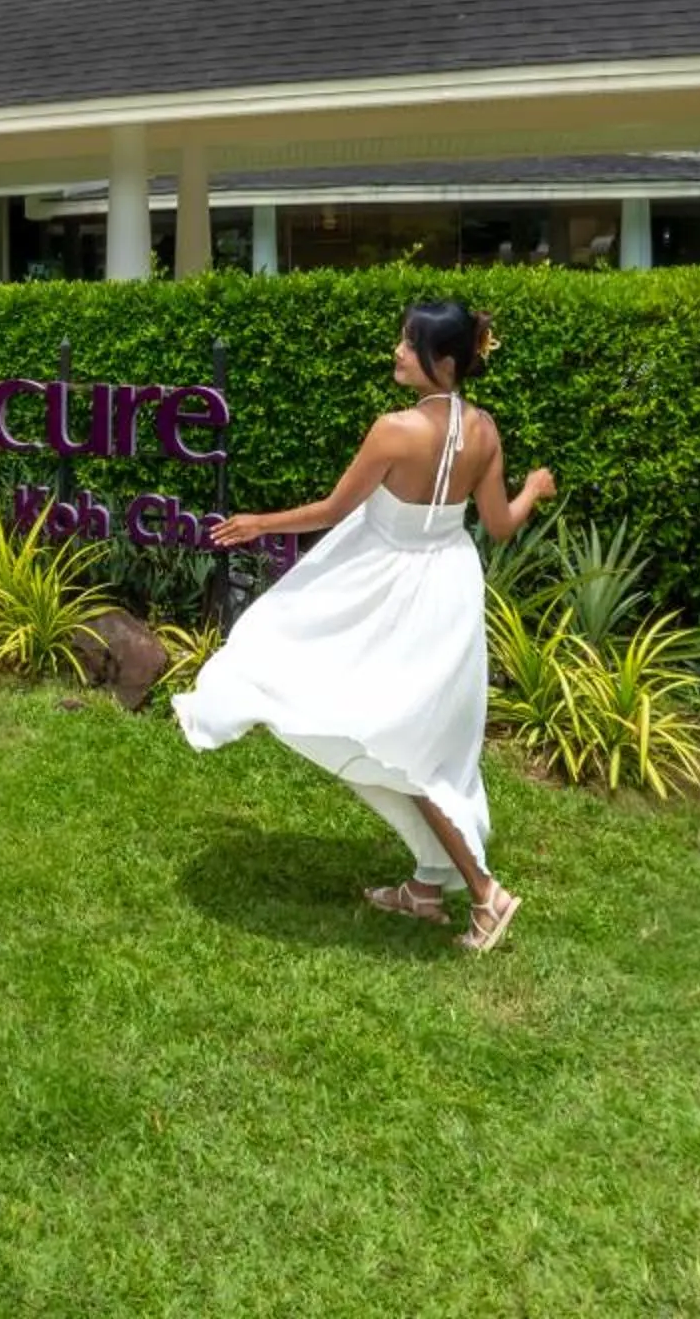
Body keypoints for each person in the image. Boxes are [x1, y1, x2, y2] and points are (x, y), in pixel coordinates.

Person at [174, 299, 556, 954]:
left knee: (391, 737)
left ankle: (487, 895)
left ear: (440, 360)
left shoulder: (395, 430)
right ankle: (427, 886)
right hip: (447, 586)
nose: (396, 354)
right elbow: (497, 525)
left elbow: (332, 507)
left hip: (383, 582)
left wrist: (258, 523)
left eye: (407, 346)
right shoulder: (485, 430)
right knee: (413, 731)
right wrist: (534, 490)